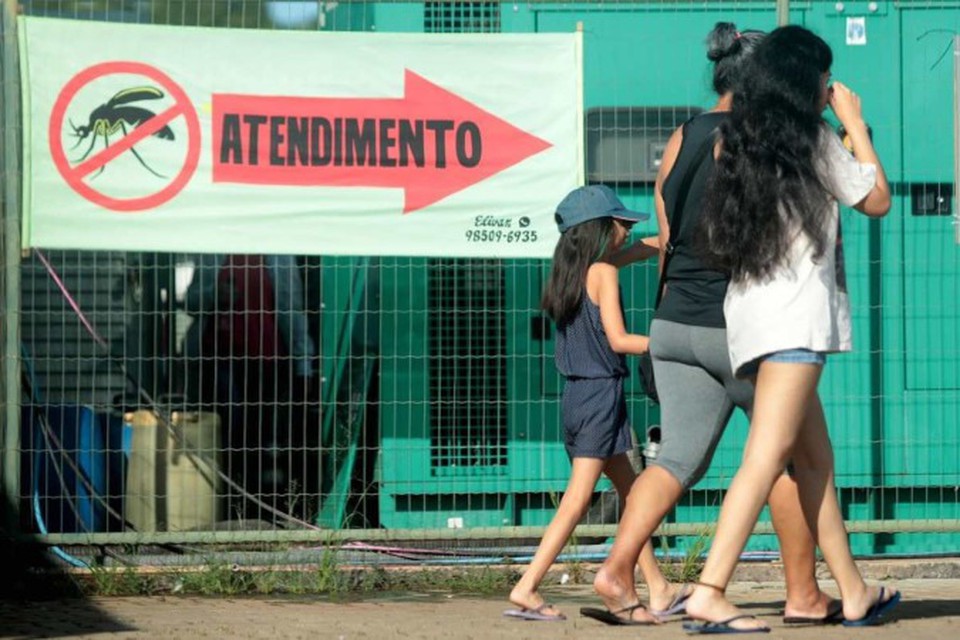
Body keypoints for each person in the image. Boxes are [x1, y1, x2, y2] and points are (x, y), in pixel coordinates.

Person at [589, 22, 840, 627]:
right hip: (738, 326)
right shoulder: (764, 139)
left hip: (674, 320)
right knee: (781, 457)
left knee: (674, 460)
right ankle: (805, 594)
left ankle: (616, 569)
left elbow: (668, 236)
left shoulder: (681, 136)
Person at [683, 25, 900, 633]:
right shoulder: (813, 138)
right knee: (766, 457)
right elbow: (877, 198)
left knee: (815, 461)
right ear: (807, 79)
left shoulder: (738, 140)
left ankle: (852, 590)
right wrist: (853, 124)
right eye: (824, 75)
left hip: (752, 317)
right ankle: (709, 589)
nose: (830, 85)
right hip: (797, 323)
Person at [503, 184, 664, 624]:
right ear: (600, 229)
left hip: (576, 397)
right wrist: (668, 343)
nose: (626, 231)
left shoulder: (572, 273)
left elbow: (639, 250)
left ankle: (660, 586)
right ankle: (526, 586)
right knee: (577, 500)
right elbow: (618, 340)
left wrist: (667, 238)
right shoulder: (604, 274)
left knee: (633, 494)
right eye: (621, 224)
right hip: (600, 397)